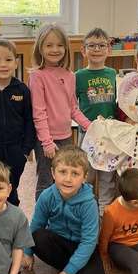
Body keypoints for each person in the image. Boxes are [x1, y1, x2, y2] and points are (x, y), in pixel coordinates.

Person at [23, 145, 106, 274]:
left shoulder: (89, 203)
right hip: (58, 241)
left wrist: (68, 272)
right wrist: (27, 253)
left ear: (84, 177)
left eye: (75, 173)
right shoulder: (46, 196)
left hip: (82, 245)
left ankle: (69, 272)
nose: (68, 179)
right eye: (62, 172)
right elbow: (36, 225)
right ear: (53, 173)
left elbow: (89, 241)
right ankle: (71, 270)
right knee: (38, 236)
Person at [29, 23, 91, 200]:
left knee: (65, 178)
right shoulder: (37, 76)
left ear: (66, 48)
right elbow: (38, 112)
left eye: (59, 45)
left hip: (66, 137)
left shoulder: (70, 75)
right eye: (49, 45)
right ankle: (42, 216)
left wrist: (91, 126)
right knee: (46, 181)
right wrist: (47, 142)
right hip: (46, 140)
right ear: (40, 48)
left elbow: (73, 108)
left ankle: (61, 212)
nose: (55, 49)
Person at [0, 39, 36, 206]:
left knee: (11, 188)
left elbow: (29, 121)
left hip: (16, 151)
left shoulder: (22, 90)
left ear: (16, 63)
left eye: (8, 59)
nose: (3, 64)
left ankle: (12, 216)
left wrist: (25, 150)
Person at [75, 27, 118, 213]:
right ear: (83, 50)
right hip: (88, 134)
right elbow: (72, 106)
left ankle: (104, 214)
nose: (97, 49)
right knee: (87, 175)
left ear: (109, 49)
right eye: (91, 45)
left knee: (108, 176)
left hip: (109, 135)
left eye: (101, 45)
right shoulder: (78, 76)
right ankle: (88, 212)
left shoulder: (112, 73)